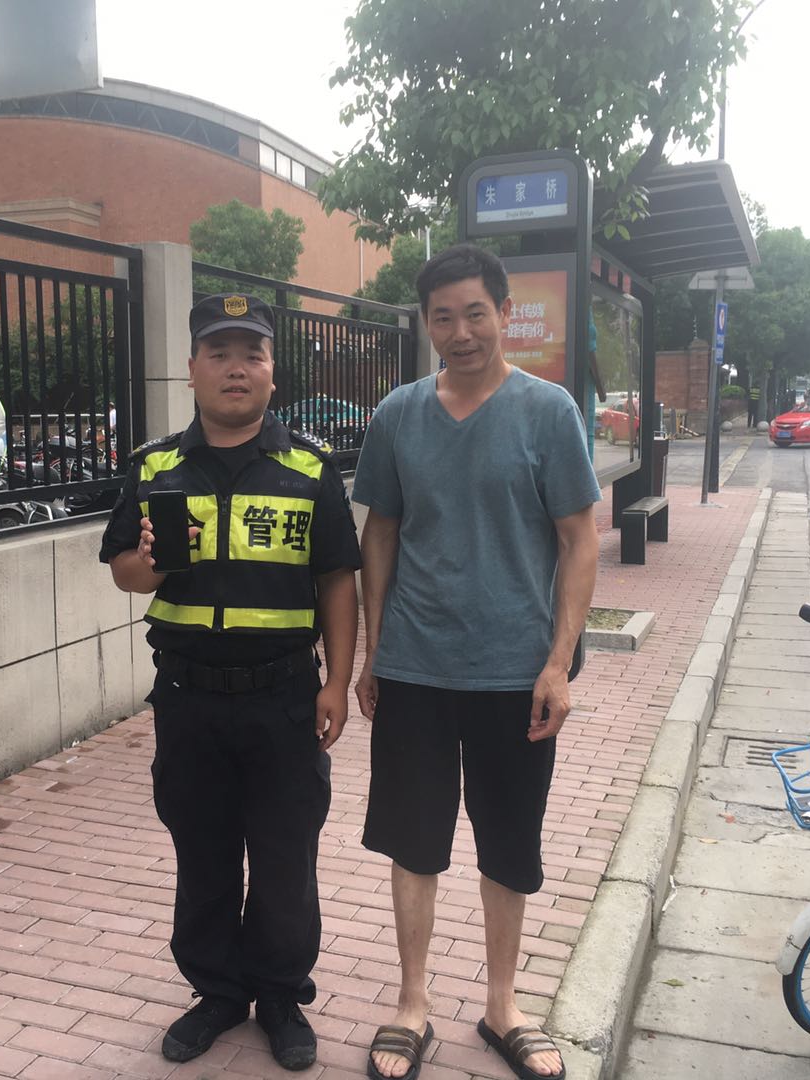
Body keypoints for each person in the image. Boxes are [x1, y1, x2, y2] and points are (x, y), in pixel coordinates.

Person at [355, 245, 600, 1080]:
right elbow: (380, 533)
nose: (460, 332)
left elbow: (579, 540)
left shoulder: (547, 411)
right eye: (442, 318)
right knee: (413, 841)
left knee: (509, 841)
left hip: (514, 674)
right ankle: (411, 1003)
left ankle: (503, 1005)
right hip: (415, 669)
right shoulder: (397, 415)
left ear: (504, 313)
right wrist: (373, 653)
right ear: (426, 324)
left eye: (474, 314)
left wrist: (559, 663)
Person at [99, 293, 361, 1071]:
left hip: (284, 698)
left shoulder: (309, 468)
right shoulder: (155, 466)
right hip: (189, 700)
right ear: (192, 370)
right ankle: (217, 991)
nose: (236, 369)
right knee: (204, 852)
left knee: (284, 858)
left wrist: (337, 682)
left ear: (274, 372)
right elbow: (123, 572)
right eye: (219, 353)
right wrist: (152, 563)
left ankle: (279, 994)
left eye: (252, 354)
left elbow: (337, 580)